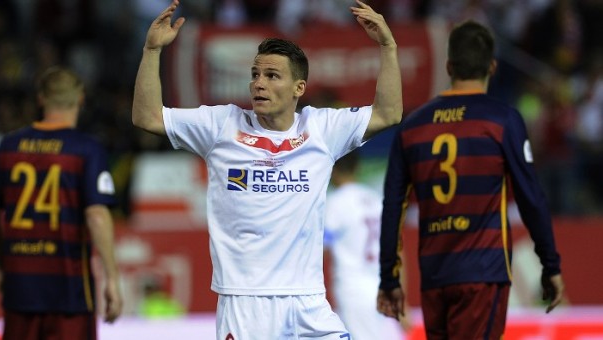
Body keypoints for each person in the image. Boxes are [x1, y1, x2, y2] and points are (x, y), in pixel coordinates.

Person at [131, 0, 402, 338]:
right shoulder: (220, 125)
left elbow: (388, 114)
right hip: (245, 304)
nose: (258, 83)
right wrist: (152, 50)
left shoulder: (321, 128)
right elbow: (147, 117)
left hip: (309, 302)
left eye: (272, 76)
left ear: (298, 89)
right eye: (255, 75)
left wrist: (388, 47)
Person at [377, 20, 565, 339]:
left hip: (434, 275)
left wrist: (390, 279)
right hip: (483, 272)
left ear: (449, 65)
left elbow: (393, 206)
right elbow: (530, 197)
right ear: (492, 66)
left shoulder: (412, 127)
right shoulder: (502, 120)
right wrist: (550, 264)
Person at [0, 66, 123, 340]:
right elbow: (96, 216)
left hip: (20, 288)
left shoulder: (9, 147)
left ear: (40, 99)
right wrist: (112, 278)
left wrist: (1, 267)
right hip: (69, 292)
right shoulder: (86, 149)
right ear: (80, 99)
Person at [324, 151, 407, 340]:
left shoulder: (335, 203)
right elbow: (398, 251)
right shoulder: (376, 200)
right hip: (384, 289)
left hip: (353, 292)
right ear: (357, 167)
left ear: (332, 169)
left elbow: (317, 251)